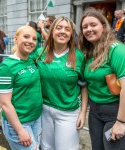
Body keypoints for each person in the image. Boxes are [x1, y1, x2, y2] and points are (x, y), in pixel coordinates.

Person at [79, 10, 125, 150]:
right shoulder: (90, 53)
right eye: (85, 27)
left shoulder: (117, 50)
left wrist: (120, 122)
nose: (89, 29)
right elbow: (86, 84)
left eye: (93, 25)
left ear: (103, 27)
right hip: (95, 113)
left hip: (118, 112)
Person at [33, 16, 88, 150]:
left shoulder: (78, 57)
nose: (62, 31)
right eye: (58, 28)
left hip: (68, 113)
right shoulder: (39, 54)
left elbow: (84, 86)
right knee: (46, 148)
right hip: (44, 111)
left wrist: (82, 112)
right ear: (52, 31)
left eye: (67, 29)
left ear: (71, 34)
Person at [0, 25, 43, 150]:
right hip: (19, 123)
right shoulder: (6, 67)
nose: (31, 41)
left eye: (34, 39)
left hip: (36, 118)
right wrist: (20, 130)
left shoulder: (31, 60)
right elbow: (5, 103)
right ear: (16, 39)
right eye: (26, 36)